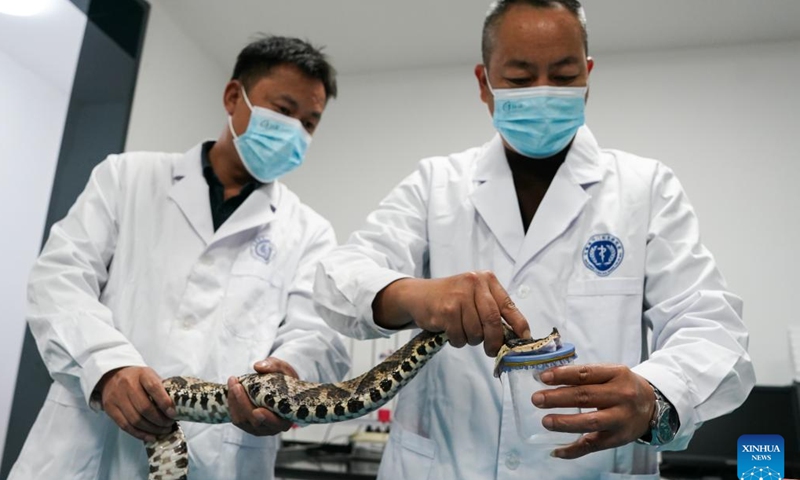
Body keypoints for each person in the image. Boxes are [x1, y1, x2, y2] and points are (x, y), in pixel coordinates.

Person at [310, 1, 755, 478]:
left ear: (587, 77)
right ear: (485, 84)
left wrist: (656, 394)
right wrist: (413, 294)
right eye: (520, 79)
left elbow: (714, 332)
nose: (543, 92)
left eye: (563, 77)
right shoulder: (434, 184)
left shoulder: (647, 189)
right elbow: (338, 279)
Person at [8, 35, 350, 480]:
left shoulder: (310, 233)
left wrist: (291, 378)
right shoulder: (127, 177)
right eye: (284, 111)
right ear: (233, 96)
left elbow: (320, 336)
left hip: (220, 459)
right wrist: (108, 368)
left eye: (309, 123)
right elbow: (58, 281)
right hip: (84, 451)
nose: (295, 132)